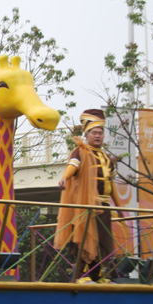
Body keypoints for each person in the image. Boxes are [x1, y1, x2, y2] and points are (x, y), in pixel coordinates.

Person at [54, 109, 126, 283]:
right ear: (87, 134)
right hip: (86, 206)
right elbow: (73, 166)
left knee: (103, 242)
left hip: (103, 206)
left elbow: (111, 185)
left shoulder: (106, 158)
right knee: (85, 240)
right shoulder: (80, 151)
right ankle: (81, 275)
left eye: (100, 133)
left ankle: (98, 275)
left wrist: (119, 206)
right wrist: (65, 178)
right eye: (94, 133)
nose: (98, 136)